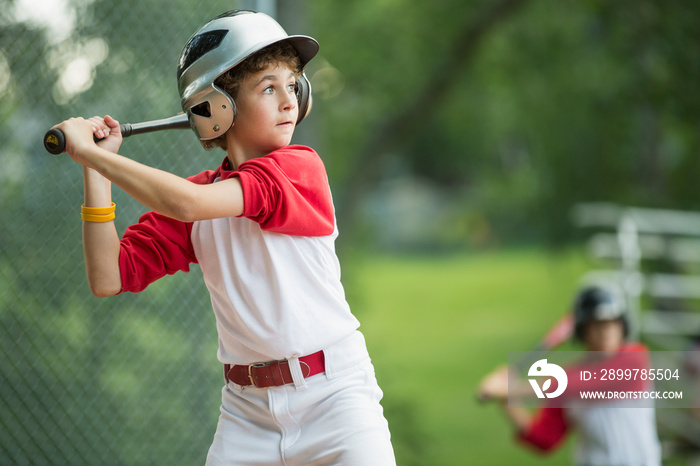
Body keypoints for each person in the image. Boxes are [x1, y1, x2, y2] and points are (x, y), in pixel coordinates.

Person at [53, 10, 396, 465]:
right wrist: (93, 168)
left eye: (293, 85)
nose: (290, 101)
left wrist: (94, 156)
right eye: (268, 88)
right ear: (215, 110)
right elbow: (107, 276)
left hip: (335, 400)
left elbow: (187, 205)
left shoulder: (298, 168)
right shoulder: (199, 196)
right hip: (246, 413)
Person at [478, 283, 662, 465]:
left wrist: (509, 389)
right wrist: (507, 402)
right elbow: (544, 439)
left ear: (622, 326)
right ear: (583, 332)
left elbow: (580, 383)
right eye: (596, 324)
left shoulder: (635, 358)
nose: (606, 331)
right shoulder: (566, 380)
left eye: (612, 323)